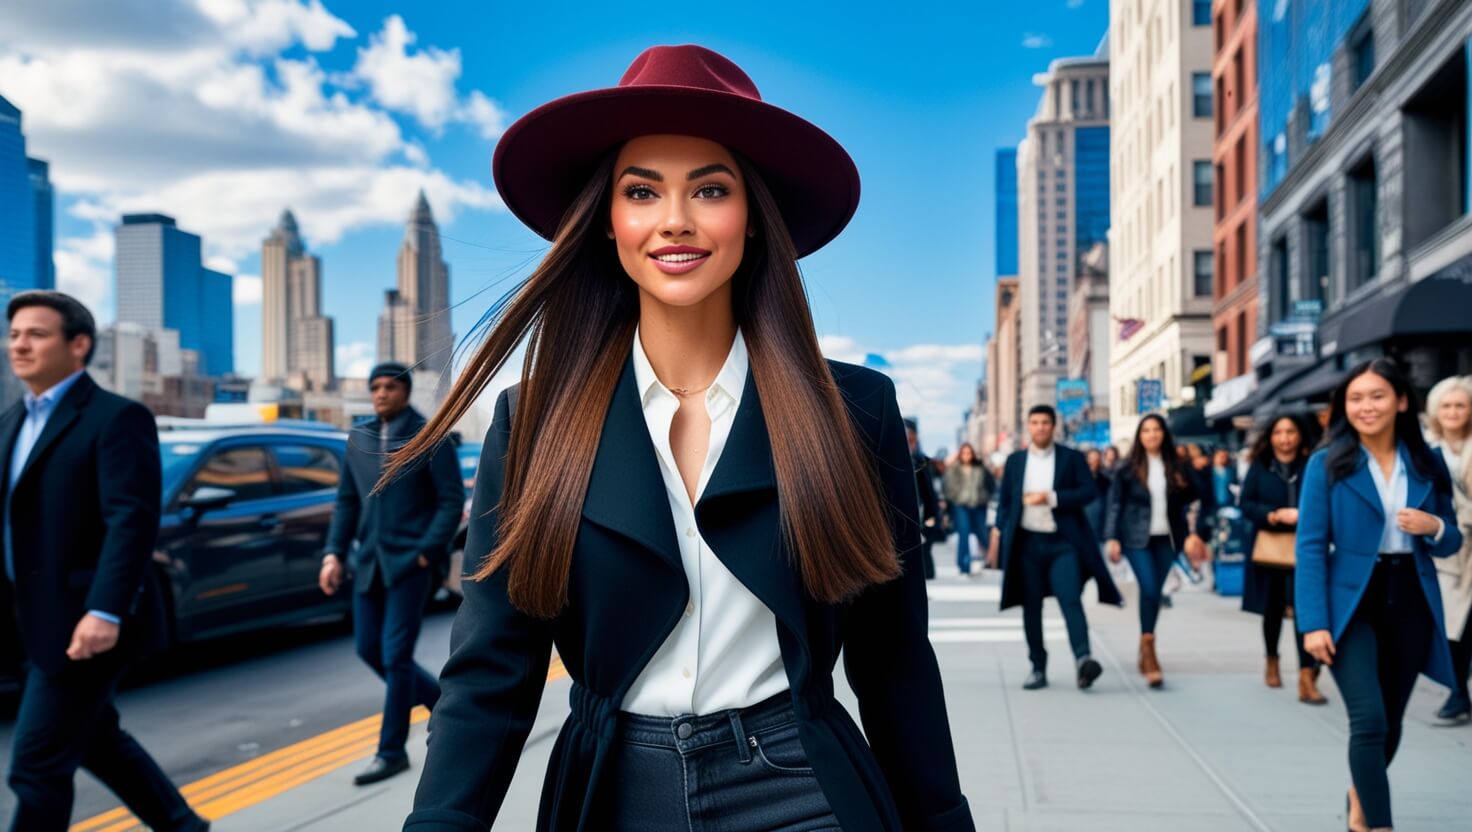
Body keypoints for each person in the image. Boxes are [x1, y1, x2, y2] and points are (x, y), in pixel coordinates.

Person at [398, 45, 973, 831]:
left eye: (710, 187)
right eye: (642, 191)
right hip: (615, 793)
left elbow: (895, 659)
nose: (675, 219)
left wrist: (943, 819)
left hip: (802, 788)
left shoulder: (856, 409)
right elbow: (490, 673)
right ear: (607, 222)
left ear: (753, 217)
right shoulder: (531, 424)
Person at [1, 291, 208, 831]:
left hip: (80, 621)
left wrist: (105, 611)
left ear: (79, 345)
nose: (19, 344)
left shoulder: (116, 418)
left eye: (36, 334)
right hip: (23, 619)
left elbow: (131, 521)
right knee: (95, 738)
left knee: (35, 767)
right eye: (15, 333)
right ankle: (183, 826)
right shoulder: (10, 422)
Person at [1297, 358, 1461, 831]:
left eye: (1377, 396)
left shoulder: (1428, 462)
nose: (1365, 406)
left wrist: (1435, 527)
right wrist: (1314, 622)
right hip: (1351, 604)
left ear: (1402, 401)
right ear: (1343, 407)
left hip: (1410, 594)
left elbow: (1453, 540)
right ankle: (1379, 824)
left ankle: (1358, 793)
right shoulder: (1325, 464)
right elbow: (1309, 546)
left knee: (1391, 722)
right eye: (1355, 398)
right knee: (1367, 719)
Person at [320, 362, 464, 785]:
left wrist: (426, 553)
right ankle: (448, 709)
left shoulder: (429, 435)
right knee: (369, 649)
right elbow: (347, 501)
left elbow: (450, 501)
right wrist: (334, 554)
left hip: (410, 563)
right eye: (375, 387)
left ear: (404, 391)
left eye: (389, 386)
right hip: (369, 563)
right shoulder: (359, 438)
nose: (381, 393)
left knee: (395, 656)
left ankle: (391, 751)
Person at [990, 405, 1119, 691]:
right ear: (1029, 426)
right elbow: (1006, 501)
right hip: (1027, 544)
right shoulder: (1015, 461)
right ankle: (1037, 667)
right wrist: (1001, 527)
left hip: (1064, 543)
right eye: (1035, 422)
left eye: (1045, 422)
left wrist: (1052, 498)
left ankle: (1083, 660)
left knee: (1070, 599)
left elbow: (1088, 492)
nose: (1040, 427)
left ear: (1053, 426)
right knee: (1031, 607)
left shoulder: (1071, 458)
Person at [1104, 414, 1212, 689]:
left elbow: (1198, 496)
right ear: (1140, 436)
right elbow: (1115, 504)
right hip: (1136, 537)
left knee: (1154, 592)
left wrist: (1190, 476)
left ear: (1164, 434)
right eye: (1146, 430)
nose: (1152, 435)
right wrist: (1111, 538)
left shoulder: (1176, 465)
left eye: (1156, 430)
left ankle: (1146, 643)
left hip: (1168, 538)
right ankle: (1149, 649)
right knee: (1150, 589)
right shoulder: (1126, 468)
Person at [1238, 413, 1327, 704]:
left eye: (1290, 431)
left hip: (1305, 549)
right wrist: (1273, 515)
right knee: (1272, 608)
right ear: (1271, 437)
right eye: (1279, 432)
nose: (1285, 438)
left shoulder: (1311, 465)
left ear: (1300, 435)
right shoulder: (1261, 466)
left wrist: (1305, 516)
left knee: (1306, 609)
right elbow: (1246, 504)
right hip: (1270, 549)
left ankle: (1306, 675)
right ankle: (1272, 660)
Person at [1424, 375, 1472, 723]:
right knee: (1453, 622)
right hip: (1451, 548)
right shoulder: (1426, 452)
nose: (1454, 411)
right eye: (1447, 405)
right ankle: (1458, 692)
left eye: (1460, 404)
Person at [943, 442, 996, 576]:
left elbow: (990, 485)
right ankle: (964, 565)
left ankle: (993, 560)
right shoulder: (954, 469)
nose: (967, 456)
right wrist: (955, 497)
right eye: (964, 453)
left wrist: (984, 497)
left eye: (969, 453)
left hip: (978, 505)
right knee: (964, 534)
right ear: (960, 454)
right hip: (961, 506)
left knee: (983, 533)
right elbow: (947, 487)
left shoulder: (980, 468)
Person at [908, 420, 945, 581]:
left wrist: (933, 518)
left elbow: (929, 493)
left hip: (921, 514)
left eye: (910, 436)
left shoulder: (921, 461)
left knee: (923, 550)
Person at [1082, 448, 1112, 545]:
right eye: (1090, 459)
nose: (1092, 463)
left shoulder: (1105, 482)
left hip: (1099, 529)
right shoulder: (1076, 481)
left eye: (1096, 460)